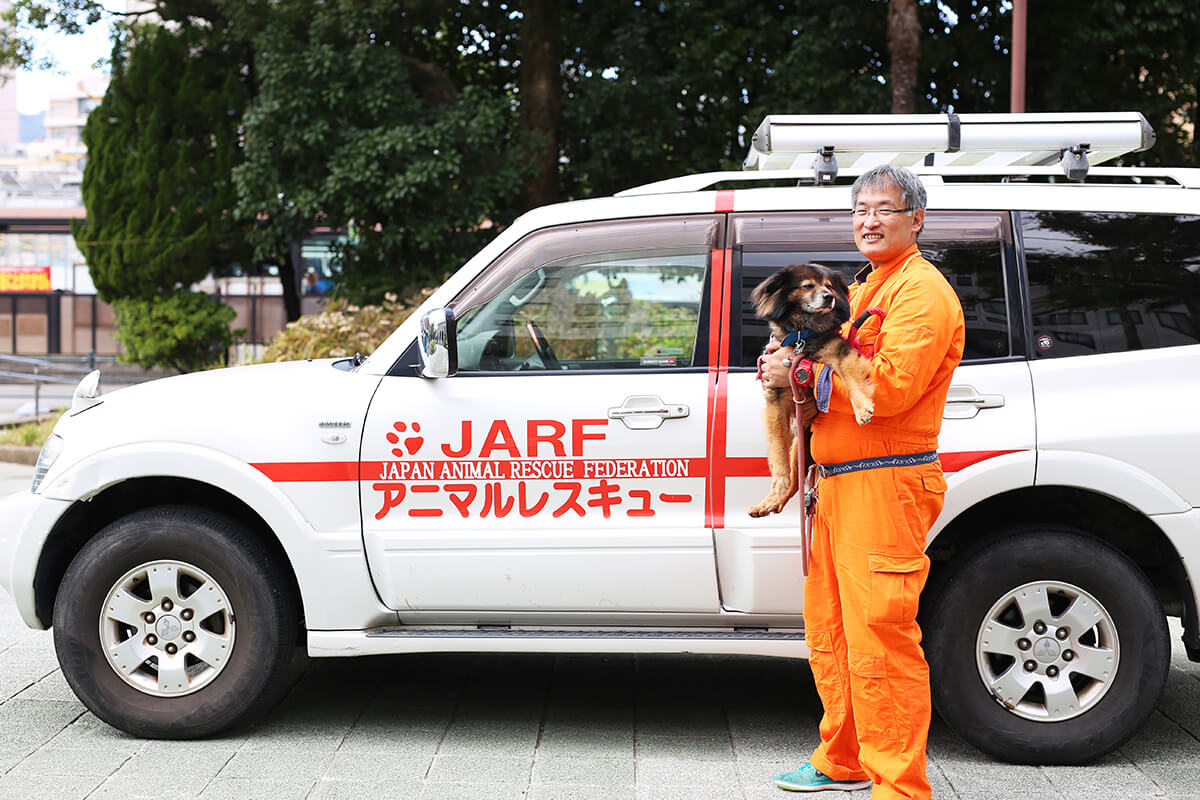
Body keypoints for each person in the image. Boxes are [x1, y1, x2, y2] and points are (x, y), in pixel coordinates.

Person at [760, 165, 965, 798]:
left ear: (916, 219)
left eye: (884, 208)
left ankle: (899, 786)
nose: (869, 219)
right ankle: (841, 757)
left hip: (884, 483)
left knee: (880, 633)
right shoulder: (867, 284)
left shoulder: (921, 292)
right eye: (860, 210)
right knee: (833, 628)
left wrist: (798, 379)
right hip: (841, 483)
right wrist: (784, 368)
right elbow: (828, 368)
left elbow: (891, 389)